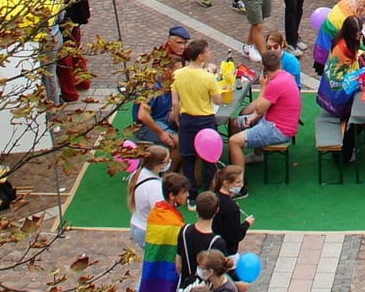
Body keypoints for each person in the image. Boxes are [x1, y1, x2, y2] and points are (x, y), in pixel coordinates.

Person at [226, 49, 300, 170]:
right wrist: (252, 118)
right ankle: (255, 155)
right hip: (275, 121)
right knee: (234, 123)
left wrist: (263, 86)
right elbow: (263, 109)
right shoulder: (285, 76)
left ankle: (237, 182)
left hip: (278, 129)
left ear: (264, 68)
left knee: (233, 141)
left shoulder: (275, 83)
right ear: (279, 64)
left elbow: (260, 108)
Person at [171, 38, 227, 191]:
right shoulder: (208, 77)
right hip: (205, 121)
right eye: (207, 51)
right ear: (201, 56)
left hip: (187, 121)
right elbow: (217, 101)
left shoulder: (178, 74)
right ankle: (208, 191)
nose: (209, 53)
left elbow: (175, 102)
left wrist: (177, 118)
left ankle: (191, 195)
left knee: (188, 160)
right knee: (209, 159)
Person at [126, 144, 171, 247]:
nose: (169, 163)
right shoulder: (155, 187)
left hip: (136, 225)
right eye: (167, 161)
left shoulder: (136, 174)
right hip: (148, 231)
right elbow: (159, 214)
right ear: (159, 164)